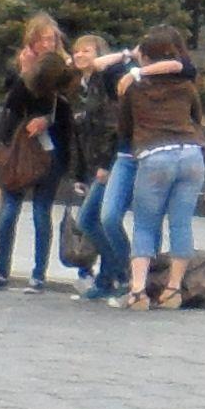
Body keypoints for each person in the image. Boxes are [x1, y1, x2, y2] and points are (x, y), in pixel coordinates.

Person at [115, 25, 205, 312]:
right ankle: (172, 290)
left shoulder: (133, 87)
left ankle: (138, 292)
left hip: (154, 154)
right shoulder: (186, 85)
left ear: (145, 57)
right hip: (192, 153)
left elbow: (125, 127)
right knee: (181, 223)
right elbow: (197, 118)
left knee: (145, 224)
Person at [0, 14, 75, 290]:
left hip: (51, 147)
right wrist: (25, 74)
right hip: (20, 148)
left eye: (53, 38)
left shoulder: (63, 67)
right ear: (32, 40)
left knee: (41, 210)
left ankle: (38, 274)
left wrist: (47, 120)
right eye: (44, 38)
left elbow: (67, 109)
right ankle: (0, 271)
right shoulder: (20, 67)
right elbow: (11, 105)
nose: (49, 43)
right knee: (9, 210)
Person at [66, 34, 135, 303]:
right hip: (94, 163)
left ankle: (123, 271)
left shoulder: (105, 80)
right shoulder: (81, 85)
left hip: (113, 161)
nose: (80, 55)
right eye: (76, 51)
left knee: (90, 219)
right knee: (93, 220)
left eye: (87, 51)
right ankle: (108, 277)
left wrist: (105, 164)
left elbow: (112, 125)